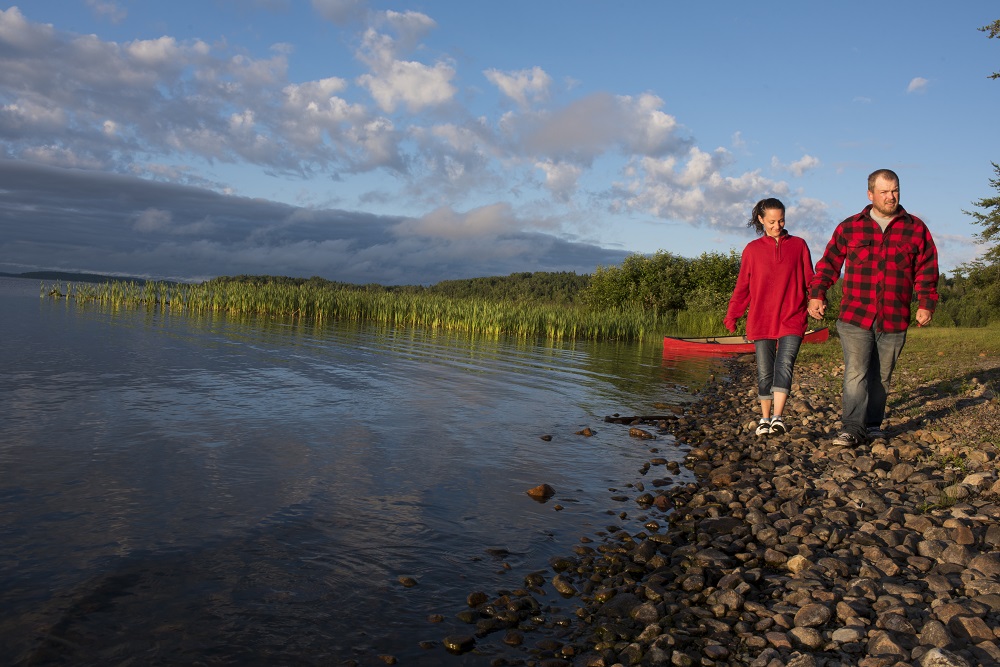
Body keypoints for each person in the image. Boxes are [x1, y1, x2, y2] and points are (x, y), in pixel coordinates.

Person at [807, 169, 939, 447]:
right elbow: (829, 263)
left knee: (882, 376)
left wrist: (926, 303)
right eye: (884, 192)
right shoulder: (849, 227)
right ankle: (852, 427)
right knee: (857, 371)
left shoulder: (916, 228)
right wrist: (817, 294)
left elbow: (927, 269)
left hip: (894, 315)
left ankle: (873, 424)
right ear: (870, 194)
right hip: (855, 315)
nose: (891, 197)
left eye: (895, 191)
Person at [725, 198, 814, 437]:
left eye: (781, 220)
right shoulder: (752, 250)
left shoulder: (799, 245)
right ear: (761, 220)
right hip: (761, 319)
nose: (777, 225)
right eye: (772, 221)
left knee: (785, 364)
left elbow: (810, 280)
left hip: (792, 317)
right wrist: (733, 314)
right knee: (765, 371)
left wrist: (817, 299)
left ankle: (778, 418)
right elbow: (742, 287)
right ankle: (764, 419)